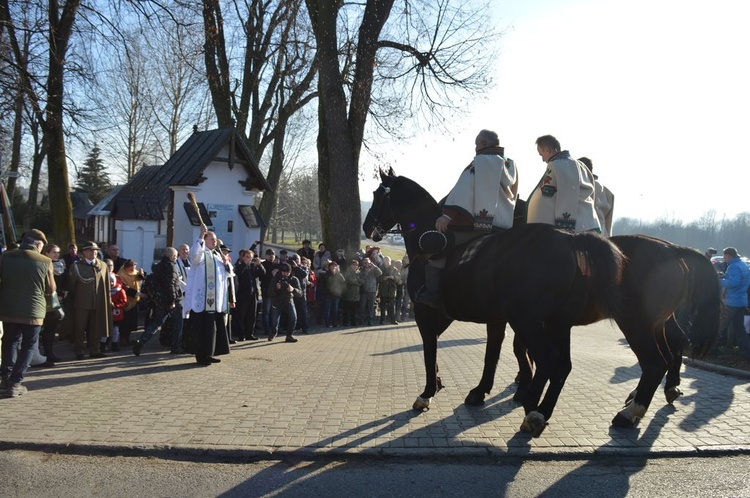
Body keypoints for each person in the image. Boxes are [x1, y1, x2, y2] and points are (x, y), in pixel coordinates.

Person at [416, 129, 518, 309]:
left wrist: (448, 215)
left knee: (440, 244)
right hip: (503, 226)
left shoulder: (480, 161)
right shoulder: (510, 165)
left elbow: (465, 189)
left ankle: (433, 294)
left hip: (478, 226)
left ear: (483, 144)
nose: (475, 148)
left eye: (476, 144)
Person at [0, 229, 55, 397]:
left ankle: (6, 378)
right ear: (38, 245)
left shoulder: (6, 256)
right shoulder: (45, 261)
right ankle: (15, 383)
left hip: (8, 308)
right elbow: (51, 288)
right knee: (28, 346)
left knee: (9, 342)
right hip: (33, 312)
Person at [527, 135, 600, 232]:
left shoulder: (559, 165)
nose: (543, 159)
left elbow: (567, 194)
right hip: (586, 223)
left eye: (541, 154)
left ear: (547, 150)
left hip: (573, 230)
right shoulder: (579, 165)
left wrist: (564, 225)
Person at [183, 225, 233, 365]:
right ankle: (201, 356)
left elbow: (229, 274)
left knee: (212, 329)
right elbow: (193, 257)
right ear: (205, 240)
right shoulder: (201, 253)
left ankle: (209, 353)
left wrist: (226, 264)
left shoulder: (217, 255)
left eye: (216, 239)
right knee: (202, 329)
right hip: (202, 300)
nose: (215, 242)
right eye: (212, 239)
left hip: (214, 300)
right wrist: (200, 236)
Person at [133, 248, 184, 356]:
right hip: (171, 300)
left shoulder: (158, 266)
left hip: (160, 300)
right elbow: (171, 285)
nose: (176, 258)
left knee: (156, 323)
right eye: (175, 256)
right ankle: (176, 347)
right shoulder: (171, 267)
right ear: (172, 256)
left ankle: (141, 341)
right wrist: (173, 300)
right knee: (178, 324)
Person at [66, 241, 112, 360]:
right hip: (81, 303)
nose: (94, 253)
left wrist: (108, 300)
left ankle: (95, 350)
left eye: (95, 251)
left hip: (98, 302)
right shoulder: (77, 266)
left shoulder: (103, 265)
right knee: (80, 328)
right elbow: (71, 286)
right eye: (90, 251)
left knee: (96, 328)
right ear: (84, 252)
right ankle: (79, 351)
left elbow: (106, 285)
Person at [717, 247, 750, 359]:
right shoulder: (743, 265)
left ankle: (712, 349)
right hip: (741, 301)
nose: (724, 258)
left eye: (724, 256)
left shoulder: (733, 266)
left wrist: (719, 280)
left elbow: (733, 282)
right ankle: (745, 352)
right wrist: (725, 277)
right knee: (740, 328)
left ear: (729, 256)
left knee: (721, 326)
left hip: (731, 301)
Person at [40, 243, 66, 364]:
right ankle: (47, 354)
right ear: (46, 253)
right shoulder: (44, 264)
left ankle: (49, 353)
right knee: (47, 329)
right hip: (46, 301)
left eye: (58, 252)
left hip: (56, 299)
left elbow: (62, 281)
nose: (57, 254)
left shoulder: (59, 265)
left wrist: (63, 292)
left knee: (52, 327)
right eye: (54, 252)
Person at [232, 249, 265, 341]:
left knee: (252, 315)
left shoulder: (252, 267)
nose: (249, 259)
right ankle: (241, 335)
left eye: (250, 257)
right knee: (242, 316)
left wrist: (260, 265)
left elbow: (262, 274)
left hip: (253, 294)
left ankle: (249, 334)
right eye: (247, 257)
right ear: (242, 257)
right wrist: (245, 264)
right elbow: (238, 273)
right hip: (243, 295)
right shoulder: (239, 266)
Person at [579, 157, 615, 237]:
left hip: (587, 234)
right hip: (603, 234)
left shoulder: (582, 187)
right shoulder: (607, 192)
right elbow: (609, 221)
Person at [268, 263, 302, 342]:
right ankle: (273, 332)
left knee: (293, 318)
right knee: (274, 321)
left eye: (287, 272)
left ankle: (289, 335)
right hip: (277, 302)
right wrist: (276, 288)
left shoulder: (294, 279)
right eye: (283, 271)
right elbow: (270, 293)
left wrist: (293, 289)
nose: (285, 273)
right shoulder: (275, 279)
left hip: (288, 300)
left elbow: (300, 293)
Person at [116, 259, 145, 348]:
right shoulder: (121, 275)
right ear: (126, 268)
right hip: (125, 301)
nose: (133, 270)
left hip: (134, 301)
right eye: (132, 268)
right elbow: (125, 288)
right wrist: (138, 294)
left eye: (134, 268)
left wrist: (141, 275)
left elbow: (139, 281)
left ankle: (128, 338)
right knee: (125, 322)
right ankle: (123, 339)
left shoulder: (134, 272)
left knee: (131, 322)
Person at [288, 253, 310, 334]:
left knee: (303, 311)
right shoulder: (290, 268)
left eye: (297, 259)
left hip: (301, 293)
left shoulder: (303, 267)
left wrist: (296, 267)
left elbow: (304, 274)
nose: (295, 261)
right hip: (292, 292)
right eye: (294, 259)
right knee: (294, 312)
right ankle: (295, 327)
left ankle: (305, 328)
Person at [260, 248, 279, 336]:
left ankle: (274, 329)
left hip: (275, 292)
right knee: (266, 312)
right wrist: (271, 275)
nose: (272, 256)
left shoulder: (276, 265)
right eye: (270, 254)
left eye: (273, 254)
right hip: (267, 291)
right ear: (266, 255)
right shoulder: (263, 264)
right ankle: (267, 329)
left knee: (274, 311)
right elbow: (262, 277)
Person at [359, 257, 382, 326]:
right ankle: (361, 320)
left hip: (372, 290)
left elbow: (380, 273)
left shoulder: (373, 270)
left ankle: (370, 320)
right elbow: (360, 279)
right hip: (364, 291)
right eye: (364, 262)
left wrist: (374, 266)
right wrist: (366, 272)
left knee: (371, 306)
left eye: (367, 262)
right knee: (362, 306)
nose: (366, 264)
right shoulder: (361, 270)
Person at [342, 258, 363, 326]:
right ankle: (346, 322)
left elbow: (362, 281)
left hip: (356, 295)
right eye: (354, 265)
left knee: (354, 310)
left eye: (357, 265)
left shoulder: (357, 273)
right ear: (351, 265)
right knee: (347, 309)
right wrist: (358, 283)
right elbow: (350, 281)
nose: (355, 266)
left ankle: (353, 322)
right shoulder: (348, 272)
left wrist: (357, 281)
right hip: (349, 294)